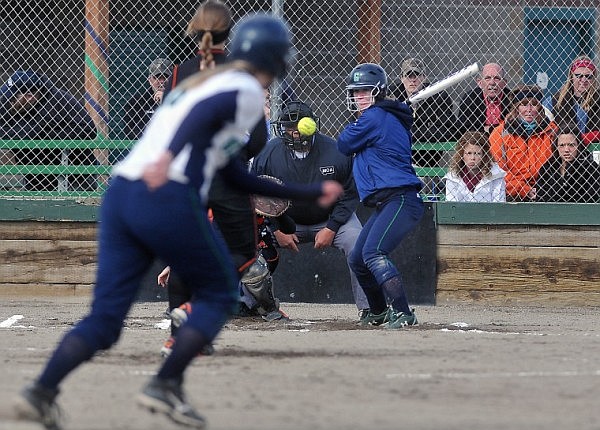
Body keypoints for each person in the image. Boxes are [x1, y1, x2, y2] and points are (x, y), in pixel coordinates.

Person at [12, 14, 343, 430]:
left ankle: (41, 392)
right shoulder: (240, 85)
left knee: (106, 320)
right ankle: (166, 383)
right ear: (274, 59)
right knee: (222, 290)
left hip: (122, 194)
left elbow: (231, 174)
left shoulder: (193, 82)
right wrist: (170, 157)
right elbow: (204, 116)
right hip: (164, 193)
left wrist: (307, 193)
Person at [156, 0, 285, 359]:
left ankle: (178, 332)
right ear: (231, 35)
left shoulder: (180, 73)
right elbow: (258, 136)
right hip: (228, 177)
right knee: (242, 255)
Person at [251, 100, 370, 317]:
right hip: (284, 223)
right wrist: (276, 228)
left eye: (299, 127)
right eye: (289, 127)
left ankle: (369, 309)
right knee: (244, 240)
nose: (294, 132)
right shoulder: (268, 153)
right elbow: (257, 197)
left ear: (312, 125)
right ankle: (248, 304)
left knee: (358, 243)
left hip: (329, 219)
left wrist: (332, 227)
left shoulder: (336, 151)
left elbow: (350, 194)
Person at [337, 63, 424, 329]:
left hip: (400, 199)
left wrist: (382, 110)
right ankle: (377, 311)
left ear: (379, 92)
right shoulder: (382, 115)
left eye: (366, 91)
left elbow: (343, 143)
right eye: (356, 92)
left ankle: (403, 312)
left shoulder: (375, 117)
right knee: (358, 258)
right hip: (386, 202)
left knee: (373, 252)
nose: (360, 96)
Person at [0, 69, 98, 191]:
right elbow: (10, 134)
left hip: (75, 174)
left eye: (13, 98)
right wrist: (33, 131)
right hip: (35, 177)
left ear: (30, 96)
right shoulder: (5, 102)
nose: (9, 101)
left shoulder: (59, 99)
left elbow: (89, 129)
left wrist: (45, 134)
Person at [489, 85, 557, 201]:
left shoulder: (552, 131)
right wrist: (523, 189)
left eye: (534, 104)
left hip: (547, 189)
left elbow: (558, 164)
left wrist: (543, 189)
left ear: (540, 108)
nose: (529, 109)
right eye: (524, 104)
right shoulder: (500, 133)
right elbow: (498, 170)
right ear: (516, 108)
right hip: (511, 192)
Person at [389, 57, 456, 166]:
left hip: (427, 160)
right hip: (397, 159)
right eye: (408, 76)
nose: (413, 80)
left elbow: (449, 130)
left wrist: (405, 132)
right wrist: (427, 130)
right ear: (401, 78)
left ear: (424, 77)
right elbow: (387, 128)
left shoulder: (437, 96)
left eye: (417, 75)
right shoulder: (393, 96)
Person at [543, 55, 600, 146]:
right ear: (571, 76)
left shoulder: (598, 98)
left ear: (594, 78)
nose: (583, 80)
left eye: (588, 76)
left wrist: (582, 138)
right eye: (579, 76)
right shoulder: (555, 100)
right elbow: (544, 127)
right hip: (564, 151)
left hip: (594, 149)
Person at [535, 130, 600, 203]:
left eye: (571, 145)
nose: (566, 150)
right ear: (556, 147)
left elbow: (591, 197)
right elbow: (540, 197)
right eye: (562, 145)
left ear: (579, 146)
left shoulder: (590, 168)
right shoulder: (547, 168)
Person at [443, 131, 506, 202]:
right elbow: (451, 206)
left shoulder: (496, 176)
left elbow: (499, 205)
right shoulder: (453, 177)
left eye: (477, 154)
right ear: (462, 155)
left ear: (484, 156)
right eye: (469, 153)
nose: (472, 158)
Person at [124, 58, 173, 139]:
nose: (161, 81)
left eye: (165, 77)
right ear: (149, 80)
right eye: (157, 77)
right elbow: (130, 131)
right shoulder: (136, 102)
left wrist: (165, 101)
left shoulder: (180, 100)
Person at [457, 62, 511, 134]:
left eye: (497, 78)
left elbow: (513, 127)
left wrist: (489, 129)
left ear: (504, 83)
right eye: (487, 78)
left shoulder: (512, 98)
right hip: (478, 141)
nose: (492, 83)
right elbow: (465, 128)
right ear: (480, 83)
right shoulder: (470, 98)